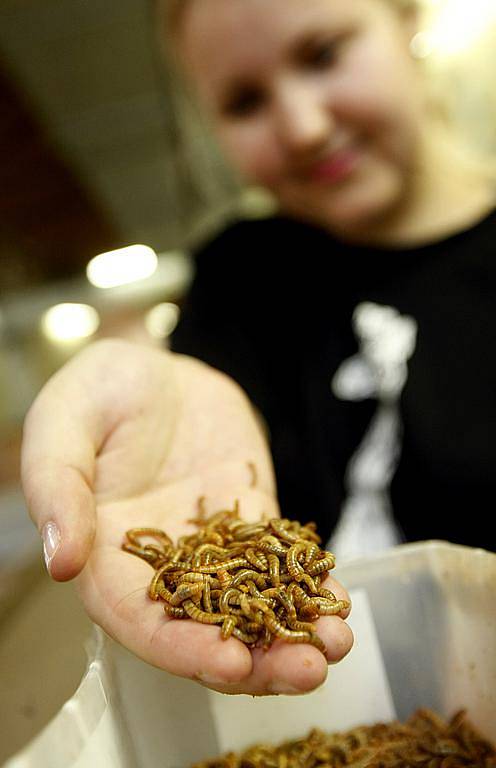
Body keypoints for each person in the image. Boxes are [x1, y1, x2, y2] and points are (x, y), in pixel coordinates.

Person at [21, 0, 495, 696]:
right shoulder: (239, 278)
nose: (304, 128)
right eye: (245, 102)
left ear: (408, 19)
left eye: (324, 53)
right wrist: (131, 374)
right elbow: (187, 399)